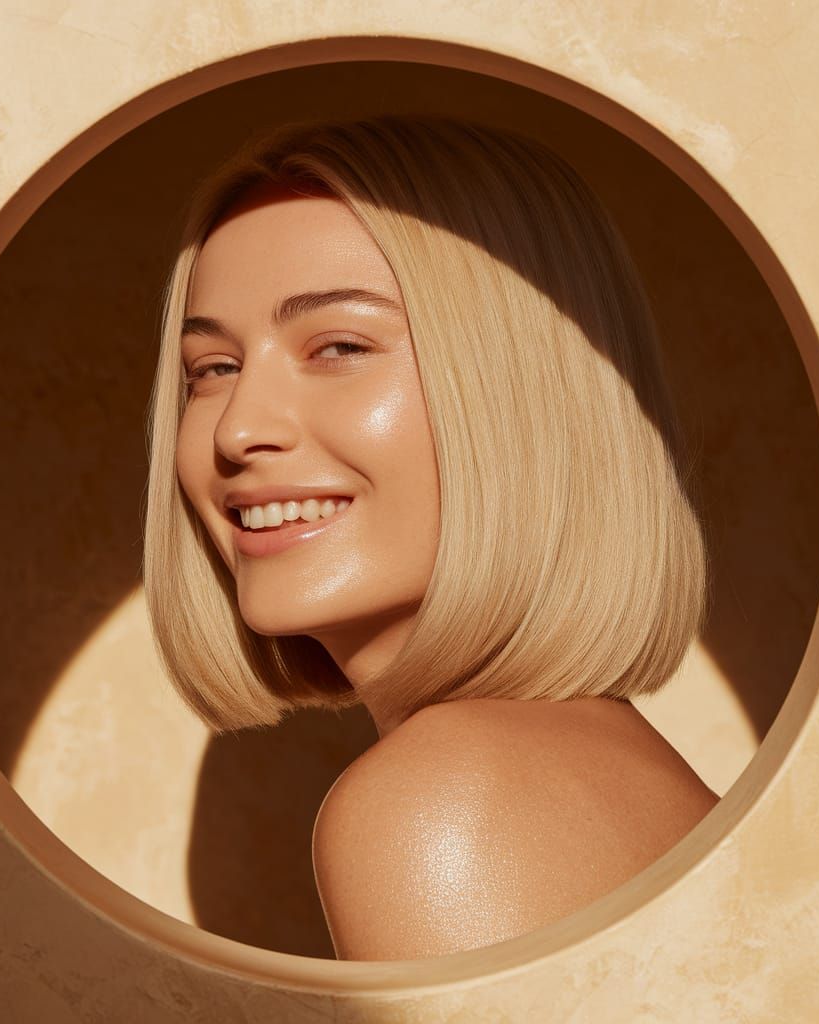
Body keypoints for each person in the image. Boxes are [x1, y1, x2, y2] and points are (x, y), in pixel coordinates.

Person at [143, 114, 720, 961]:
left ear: (522, 394)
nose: (237, 431)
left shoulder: (442, 804)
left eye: (338, 346)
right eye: (213, 369)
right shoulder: (591, 766)